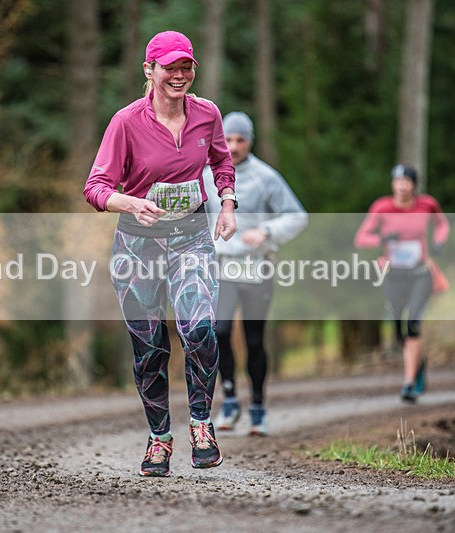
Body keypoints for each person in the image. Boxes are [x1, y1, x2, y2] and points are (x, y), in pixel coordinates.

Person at [84, 31, 236, 477]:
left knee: (201, 328)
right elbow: (95, 188)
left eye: (186, 66)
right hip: (138, 241)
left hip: (191, 234)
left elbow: (222, 163)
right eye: (170, 67)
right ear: (149, 71)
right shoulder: (126, 122)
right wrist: (131, 202)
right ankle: (159, 438)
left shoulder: (207, 114)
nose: (180, 74)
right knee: (149, 348)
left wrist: (227, 204)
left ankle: (202, 425)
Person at [203, 112, 308, 436]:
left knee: (253, 339)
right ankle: (231, 397)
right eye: (228, 139)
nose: (233, 146)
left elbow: (297, 217)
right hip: (222, 264)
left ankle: (259, 404)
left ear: (250, 141)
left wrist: (265, 231)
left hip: (257, 266)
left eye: (240, 140)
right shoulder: (207, 174)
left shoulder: (266, 177)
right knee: (219, 331)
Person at [354, 164, 449, 403]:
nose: (402, 186)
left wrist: (438, 242)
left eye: (407, 181)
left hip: (420, 273)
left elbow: (442, 224)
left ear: (414, 185)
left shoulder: (426, 205)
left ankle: (408, 383)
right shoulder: (382, 207)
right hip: (393, 274)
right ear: (392, 184)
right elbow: (361, 239)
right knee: (399, 329)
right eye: (398, 181)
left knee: (413, 324)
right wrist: (383, 237)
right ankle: (417, 365)